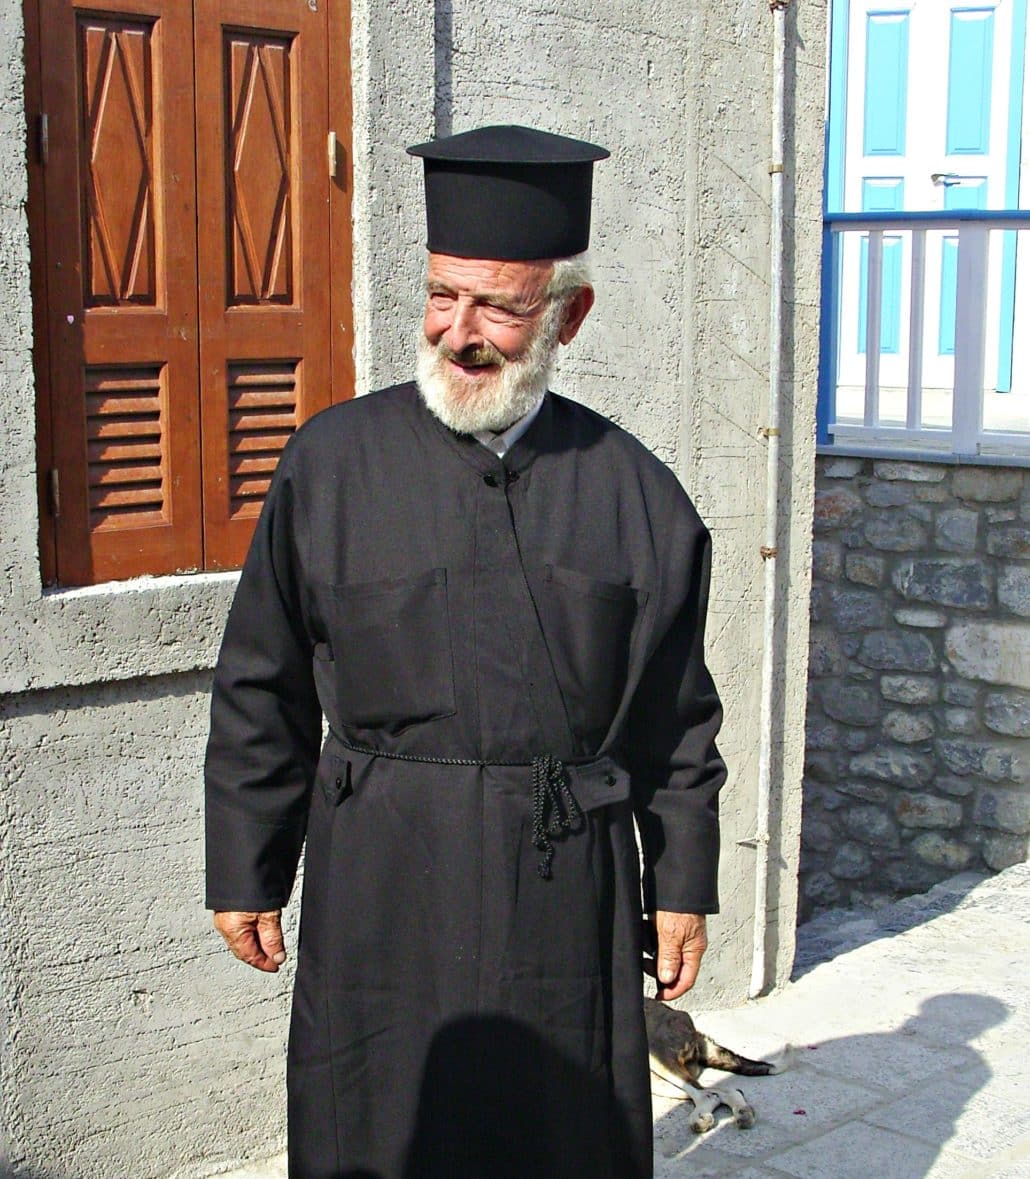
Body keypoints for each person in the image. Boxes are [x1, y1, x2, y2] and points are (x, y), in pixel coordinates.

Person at [205, 125, 726, 1179]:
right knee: (377, 1129)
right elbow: (261, 681)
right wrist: (246, 867)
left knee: (552, 1136)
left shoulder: (637, 494)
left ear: (567, 315)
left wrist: (681, 884)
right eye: (443, 296)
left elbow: (675, 714)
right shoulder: (332, 464)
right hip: (380, 876)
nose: (460, 331)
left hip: (559, 876)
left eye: (499, 304)